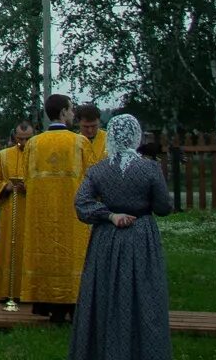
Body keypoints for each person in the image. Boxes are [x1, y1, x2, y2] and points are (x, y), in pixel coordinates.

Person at [70, 113, 173, 360]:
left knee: (106, 293)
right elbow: (163, 207)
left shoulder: (98, 170)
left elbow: (81, 204)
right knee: (144, 294)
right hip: (141, 235)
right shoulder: (149, 168)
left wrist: (109, 215)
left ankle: (104, 349)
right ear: (136, 136)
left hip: (107, 237)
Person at [19, 93, 90, 321]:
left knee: (45, 255)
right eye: (71, 109)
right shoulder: (79, 142)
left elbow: (25, 180)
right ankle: (73, 306)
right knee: (72, 258)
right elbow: (91, 179)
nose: (73, 113)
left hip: (42, 216)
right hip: (73, 216)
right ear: (62, 112)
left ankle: (48, 305)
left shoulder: (33, 144)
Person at [0, 120, 35, 302]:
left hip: (32, 211)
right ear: (14, 136)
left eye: (27, 139)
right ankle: (5, 291)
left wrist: (29, 186)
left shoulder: (39, 155)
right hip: (10, 211)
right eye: (20, 139)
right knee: (8, 248)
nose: (23, 143)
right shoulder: (3, 155)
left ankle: (29, 292)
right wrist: (5, 187)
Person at [77, 103, 106, 169]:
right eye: (85, 127)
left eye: (94, 126)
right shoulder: (73, 142)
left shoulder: (109, 140)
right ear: (78, 123)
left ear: (99, 122)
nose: (90, 130)